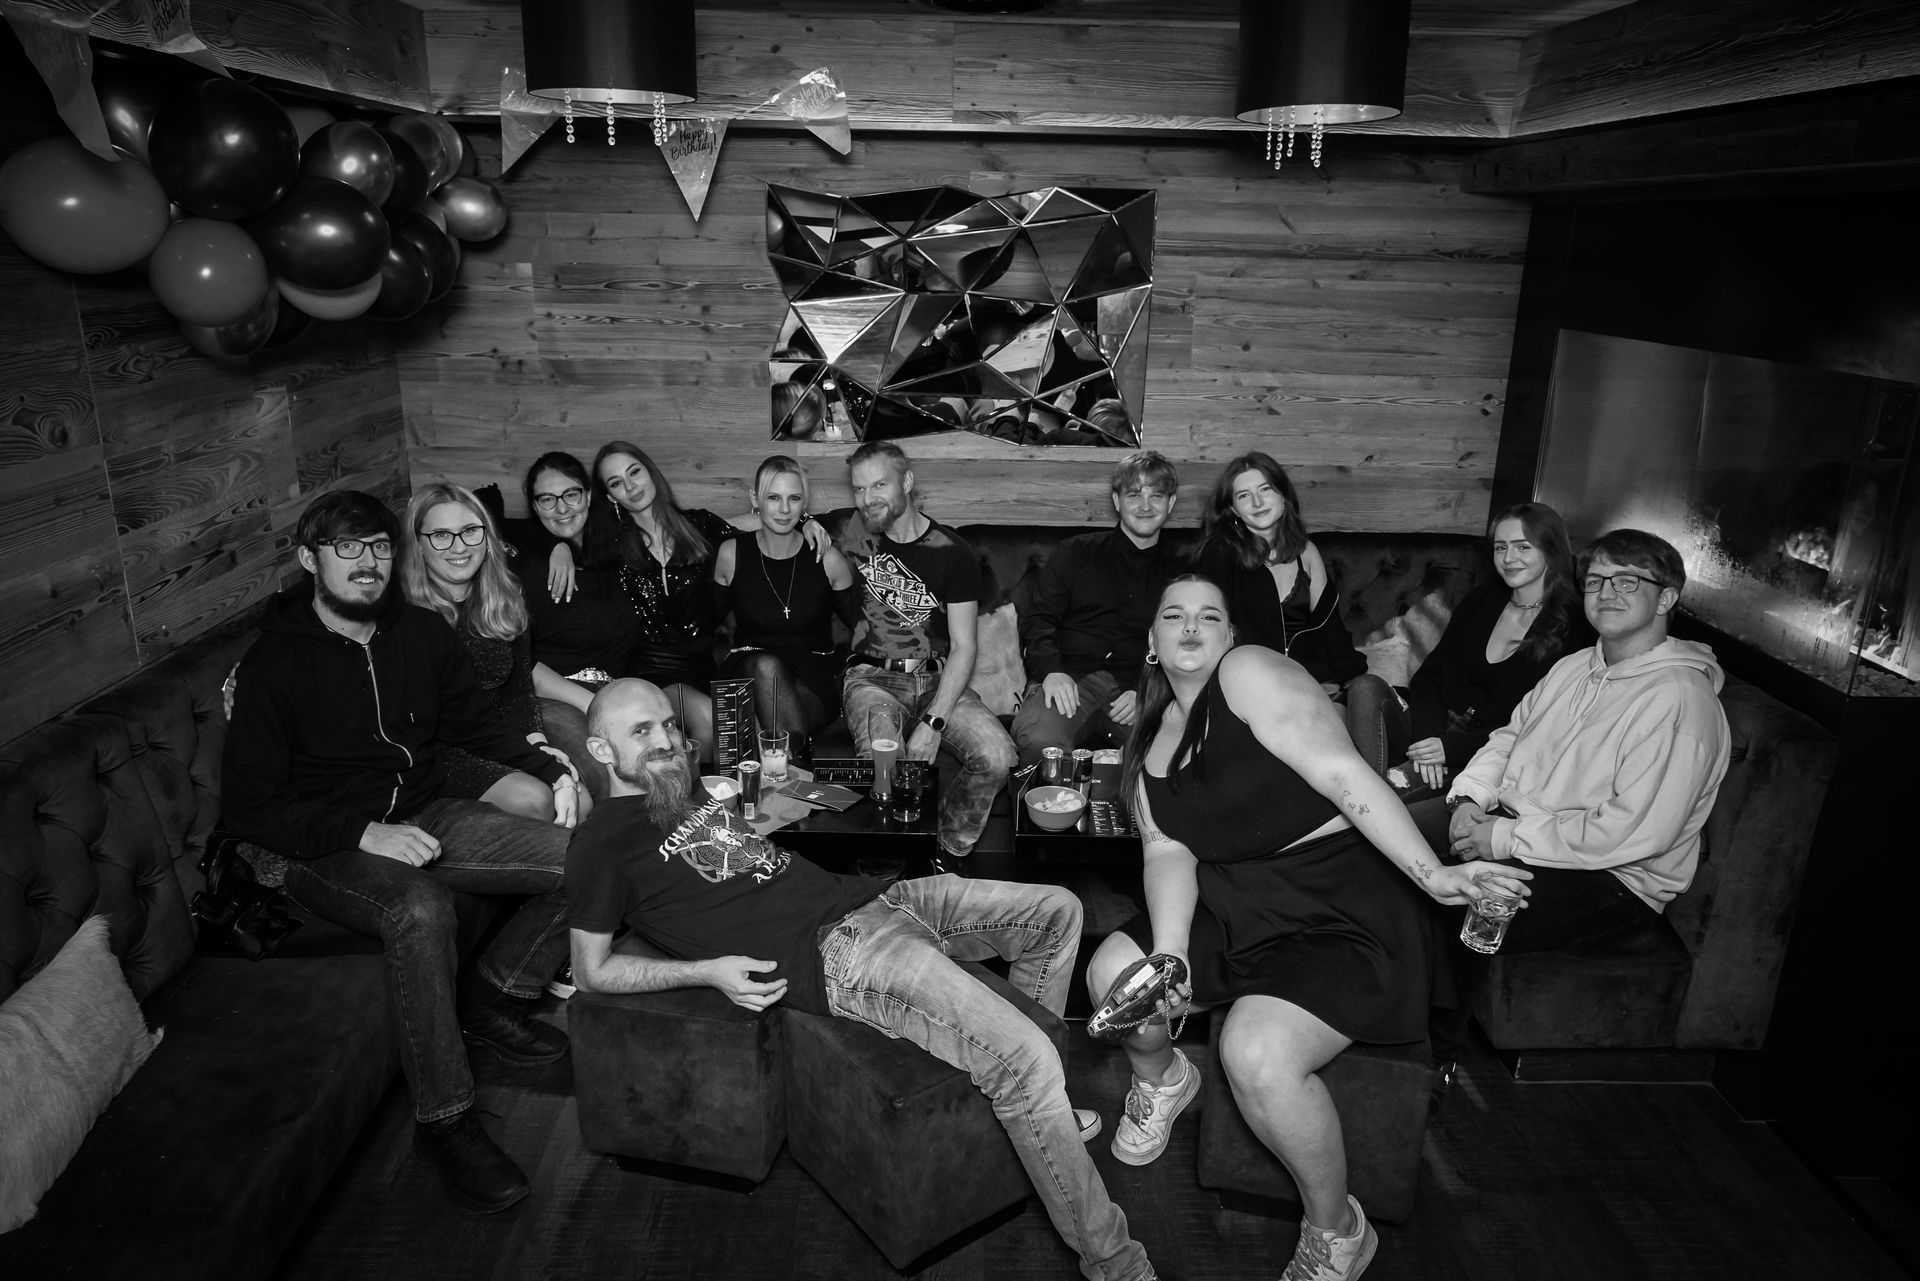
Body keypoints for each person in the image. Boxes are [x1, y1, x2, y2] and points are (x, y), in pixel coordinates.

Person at [566, 679, 1160, 1281]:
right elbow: (591, 970)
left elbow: (739, 869)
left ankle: (1040, 1121)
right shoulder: (599, 845)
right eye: (642, 730)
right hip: (845, 952)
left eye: (669, 724)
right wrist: (707, 971)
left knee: (1058, 910)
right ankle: (1114, 1262)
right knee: (1027, 1059)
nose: (667, 740)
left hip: (884, 898)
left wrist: (788, 797)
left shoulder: (683, 789)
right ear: (601, 749)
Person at [1085, 575, 1527, 1281]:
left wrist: (1432, 874)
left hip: (1340, 901)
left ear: (1231, 636)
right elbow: (1167, 851)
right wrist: (1169, 957)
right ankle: (1164, 1079)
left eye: (1209, 616)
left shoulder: (1249, 673)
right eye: (1174, 614)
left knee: (1256, 1053)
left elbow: (1341, 772)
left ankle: (1337, 1228)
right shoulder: (1147, 742)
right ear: (1152, 640)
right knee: (1115, 974)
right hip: (1236, 898)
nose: (1191, 626)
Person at [221, 490, 578, 1215]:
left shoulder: (419, 631)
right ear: (308, 559)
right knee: (421, 909)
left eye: (380, 546)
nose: (368, 562)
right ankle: (444, 1121)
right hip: (319, 846)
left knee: (584, 858)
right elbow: (251, 809)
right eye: (346, 547)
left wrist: (553, 771)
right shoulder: (272, 665)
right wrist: (363, 834)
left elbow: (475, 727)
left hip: (423, 809)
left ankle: (490, 996)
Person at [1440, 528, 1731, 951]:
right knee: (1376, 847)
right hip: (1518, 826)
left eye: (1627, 581)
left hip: (1612, 879)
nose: (1606, 593)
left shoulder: (1681, 701)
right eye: (1595, 580)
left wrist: (1505, 838)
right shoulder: (1574, 666)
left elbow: (1632, 832)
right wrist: (1469, 799)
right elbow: (1509, 737)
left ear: (1665, 599)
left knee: (1430, 899)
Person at [824, 440, 1017, 865]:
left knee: (998, 756)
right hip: (872, 678)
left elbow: (965, 646)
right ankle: (894, 865)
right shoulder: (849, 530)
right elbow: (777, 516)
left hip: (937, 680)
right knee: (884, 765)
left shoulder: (952, 551)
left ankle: (946, 850)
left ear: (907, 482)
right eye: (858, 489)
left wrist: (933, 722)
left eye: (879, 485)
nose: (867, 499)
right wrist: (806, 528)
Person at [1192, 452, 1400, 774]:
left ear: (1283, 496)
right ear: (1233, 509)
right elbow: (1211, 635)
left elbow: (1329, 627)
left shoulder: (1306, 552)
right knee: (1326, 742)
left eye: (1265, 489)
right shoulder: (1219, 555)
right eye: (1244, 495)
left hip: (1314, 683)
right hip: (1256, 690)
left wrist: (1353, 679)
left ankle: (1371, 791)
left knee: (1358, 710)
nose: (1257, 502)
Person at [1370, 502, 1593, 793]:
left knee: (1375, 794)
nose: (1508, 558)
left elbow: (1543, 726)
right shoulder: (1481, 599)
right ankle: (1386, 775)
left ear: (1551, 550)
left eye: (1523, 547)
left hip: (1488, 755)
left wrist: (1451, 749)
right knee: (1366, 688)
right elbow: (1430, 677)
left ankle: (1385, 781)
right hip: (1431, 732)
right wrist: (1427, 743)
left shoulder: (1574, 625)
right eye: (1501, 548)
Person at [402, 481, 580, 821]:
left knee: (578, 798)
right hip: (440, 750)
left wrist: (538, 744)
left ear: (487, 537)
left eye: (470, 531)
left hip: (503, 736)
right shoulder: (408, 615)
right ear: (418, 544)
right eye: (441, 535)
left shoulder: (504, 596)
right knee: (536, 800)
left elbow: (518, 691)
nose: (459, 546)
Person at [1012, 450, 1183, 767]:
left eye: (1156, 496)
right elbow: (1040, 621)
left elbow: (1182, 644)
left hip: (1138, 687)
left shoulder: (1181, 575)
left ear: (1170, 503)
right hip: (1071, 677)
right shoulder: (1075, 552)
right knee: (1039, 740)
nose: (1145, 506)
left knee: (1175, 755)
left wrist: (1149, 691)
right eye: (1134, 495)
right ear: (1117, 501)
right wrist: (1051, 672)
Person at [583, 441, 741, 762]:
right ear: (611, 496)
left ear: (650, 472)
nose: (630, 486)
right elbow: (556, 538)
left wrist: (806, 522)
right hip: (650, 668)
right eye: (616, 483)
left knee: (734, 723)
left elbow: (759, 536)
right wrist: (558, 549)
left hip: (703, 663)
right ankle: (694, 794)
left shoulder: (700, 525)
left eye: (634, 472)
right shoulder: (610, 547)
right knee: (708, 718)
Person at [511, 452, 641, 805]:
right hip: (555, 698)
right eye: (547, 499)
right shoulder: (525, 569)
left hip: (611, 693)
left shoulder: (611, 556)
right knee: (608, 771)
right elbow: (523, 663)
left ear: (588, 496)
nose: (561, 508)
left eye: (570, 494)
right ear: (534, 507)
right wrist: (594, 703)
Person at [713, 456, 857, 762]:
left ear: (804, 503)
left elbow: (862, 627)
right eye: (773, 498)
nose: (784, 509)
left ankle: (788, 765)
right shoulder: (731, 554)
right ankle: (795, 772)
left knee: (780, 717)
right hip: (749, 667)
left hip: (813, 676)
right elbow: (706, 622)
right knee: (766, 667)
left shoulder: (828, 559)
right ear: (755, 500)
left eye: (794, 499)